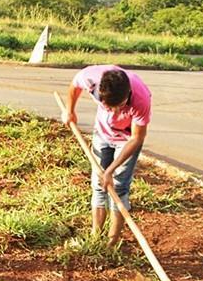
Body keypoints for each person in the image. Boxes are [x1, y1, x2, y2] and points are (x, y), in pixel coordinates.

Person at [62, 65, 152, 247]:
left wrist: (110, 170)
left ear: (127, 97)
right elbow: (74, 84)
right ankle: (96, 237)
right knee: (98, 185)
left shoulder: (141, 98)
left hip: (126, 140)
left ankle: (111, 244)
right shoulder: (91, 78)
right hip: (102, 135)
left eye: (119, 107)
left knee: (118, 188)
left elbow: (137, 138)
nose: (114, 113)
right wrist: (70, 110)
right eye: (109, 107)